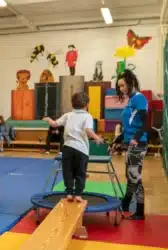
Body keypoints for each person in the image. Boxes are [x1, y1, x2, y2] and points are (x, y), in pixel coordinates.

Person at [43, 92, 103, 202]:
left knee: (68, 171)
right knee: (81, 172)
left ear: (72, 104)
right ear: (86, 105)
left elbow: (54, 124)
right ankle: (78, 194)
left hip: (68, 148)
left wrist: (48, 120)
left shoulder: (68, 115)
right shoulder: (87, 116)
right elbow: (89, 131)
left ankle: (69, 193)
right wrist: (97, 138)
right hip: (81, 150)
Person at [111, 69, 148, 220]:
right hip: (130, 143)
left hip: (138, 145)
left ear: (130, 83)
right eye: (119, 87)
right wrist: (117, 140)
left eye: (122, 86)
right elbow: (128, 126)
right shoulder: (131, 100)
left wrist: (137, 138)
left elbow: (146, 122)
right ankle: (126, 203)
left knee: (135, 177)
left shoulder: (139, 98)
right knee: (129, 175)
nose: (121, 89)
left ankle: (140, 211)